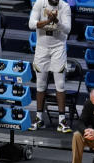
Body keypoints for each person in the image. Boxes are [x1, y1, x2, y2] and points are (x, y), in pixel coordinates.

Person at [29, 0, 71, 133]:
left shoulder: (64, 7)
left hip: (58, 48)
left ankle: (62, 121)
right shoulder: (39, 4)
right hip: (42, 48)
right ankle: (39, 118)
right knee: (40, 84)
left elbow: (68, 29)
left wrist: (56, 21)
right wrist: (48, 21)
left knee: (60, 83)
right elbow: (31, 24)